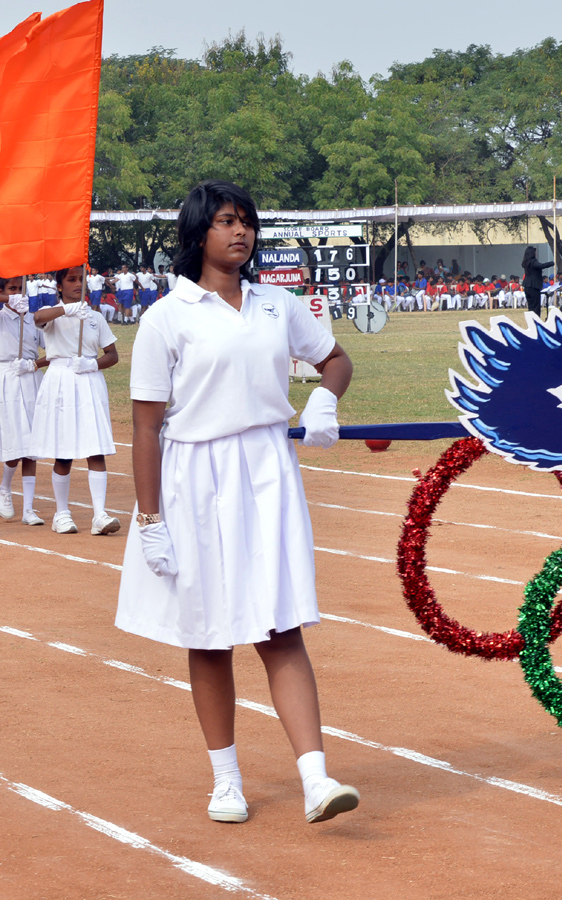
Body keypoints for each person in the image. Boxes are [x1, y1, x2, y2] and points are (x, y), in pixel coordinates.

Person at [115, 179, 359, 825]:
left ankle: (315, 779)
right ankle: (226, 779)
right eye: (226, 221)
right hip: (194, 475)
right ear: (199, 234)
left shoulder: (278, 305)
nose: (240, 232)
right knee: (210, 636)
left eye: (246, 221)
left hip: (267, 472)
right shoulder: (167, 316)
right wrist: (149, 518)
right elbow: (145, 426)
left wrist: (325, 397)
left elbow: (334, 358)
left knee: (280, 627)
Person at [29, 267, 120, 535]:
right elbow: (37, 318)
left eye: (81, 280)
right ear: (59, 286)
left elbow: (112, 354)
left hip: (89, 380)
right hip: (61, 381)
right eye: (71, 280)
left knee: (96, 447)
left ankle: (99, 514)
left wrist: (92, 364)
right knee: (64, 451)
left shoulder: (94, 318)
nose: (78, 284)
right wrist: (67, 310)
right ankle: (61, 514)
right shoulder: (54, 315)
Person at [0, 276, 48, 525]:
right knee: (14, 441)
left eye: (21, 288)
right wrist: (10, 300)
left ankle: (29, 508)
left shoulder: (33, 318)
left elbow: (53, 351)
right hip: (7, 379)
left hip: (31, 378)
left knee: (32, 446)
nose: (18, 293)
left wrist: (33, 364)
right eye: (12, 288)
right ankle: (5, 489)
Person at [521, 246, 555, 318]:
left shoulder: (525, 262)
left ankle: (531, 320)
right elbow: (541, 266)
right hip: (533, 285)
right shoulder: (533, 262)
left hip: (527, 285)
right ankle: (536, 321)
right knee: (536, 306)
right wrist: (551, 263)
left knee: (531, 306)